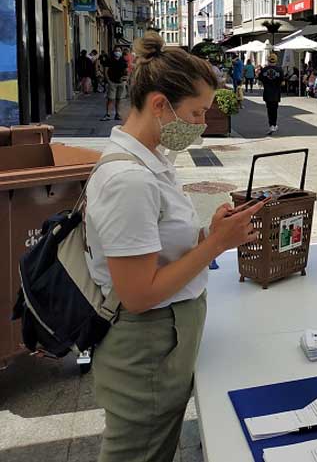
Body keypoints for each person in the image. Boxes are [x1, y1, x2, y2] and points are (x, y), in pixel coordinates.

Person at [86, 31, 267, 462]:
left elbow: (158, 252)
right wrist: (214, 246)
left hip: (163, 343)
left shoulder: (151, 161)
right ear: (159, 105)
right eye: (196, 112)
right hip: (144, 351)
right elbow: (138, 293)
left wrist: (210, 237)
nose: (203, 124)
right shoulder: (128, 180)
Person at [258, 54, 284, 135]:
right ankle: (274, 124)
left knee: (269, 110)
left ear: (268, 60)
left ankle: (271, 125)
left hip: (267, 92)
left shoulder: (264, 69)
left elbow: (260, 79)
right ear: (276, 60)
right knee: (275, 109)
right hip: (276, 93)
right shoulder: (280, 70)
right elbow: (282, 83)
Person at [101, 48, 129, 122]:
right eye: (116, 51)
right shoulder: (109, 60)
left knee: (119, 99)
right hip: (112, 82)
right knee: (110, 99)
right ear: (114, 52)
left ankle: (118, 114)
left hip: (121, 83)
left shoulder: (123, 61)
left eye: (119, 51)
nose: (118, 52)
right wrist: (108, 80)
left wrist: (125, 79)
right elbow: (106, 71)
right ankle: (108, 114)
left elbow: (126, 71)